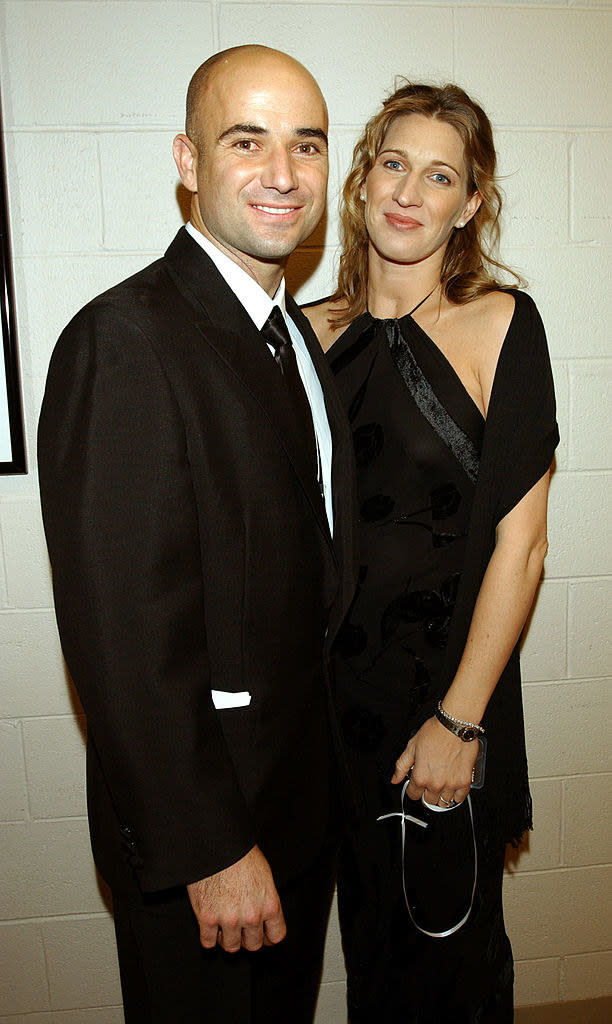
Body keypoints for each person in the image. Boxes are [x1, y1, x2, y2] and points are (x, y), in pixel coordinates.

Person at [38, 45, 357, 1024]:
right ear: (187, 159)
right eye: (246, 140)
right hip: (211, 844)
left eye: (306, 145)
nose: (282, 174)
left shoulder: (290, 330)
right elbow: (128, 638)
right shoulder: (126, 338)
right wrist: (211, 848)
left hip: (298, 815)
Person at [304, 82, 558, 1022]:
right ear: (365, 179)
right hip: (326, 716)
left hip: (442, 708)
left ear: (470, 201)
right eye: (394, 163)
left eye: (439, 174)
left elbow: (521, 548)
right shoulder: (305, 333)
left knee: (448, 970)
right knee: (370, 969)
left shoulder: (500, 322)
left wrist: (459, 723)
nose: (409, 191)